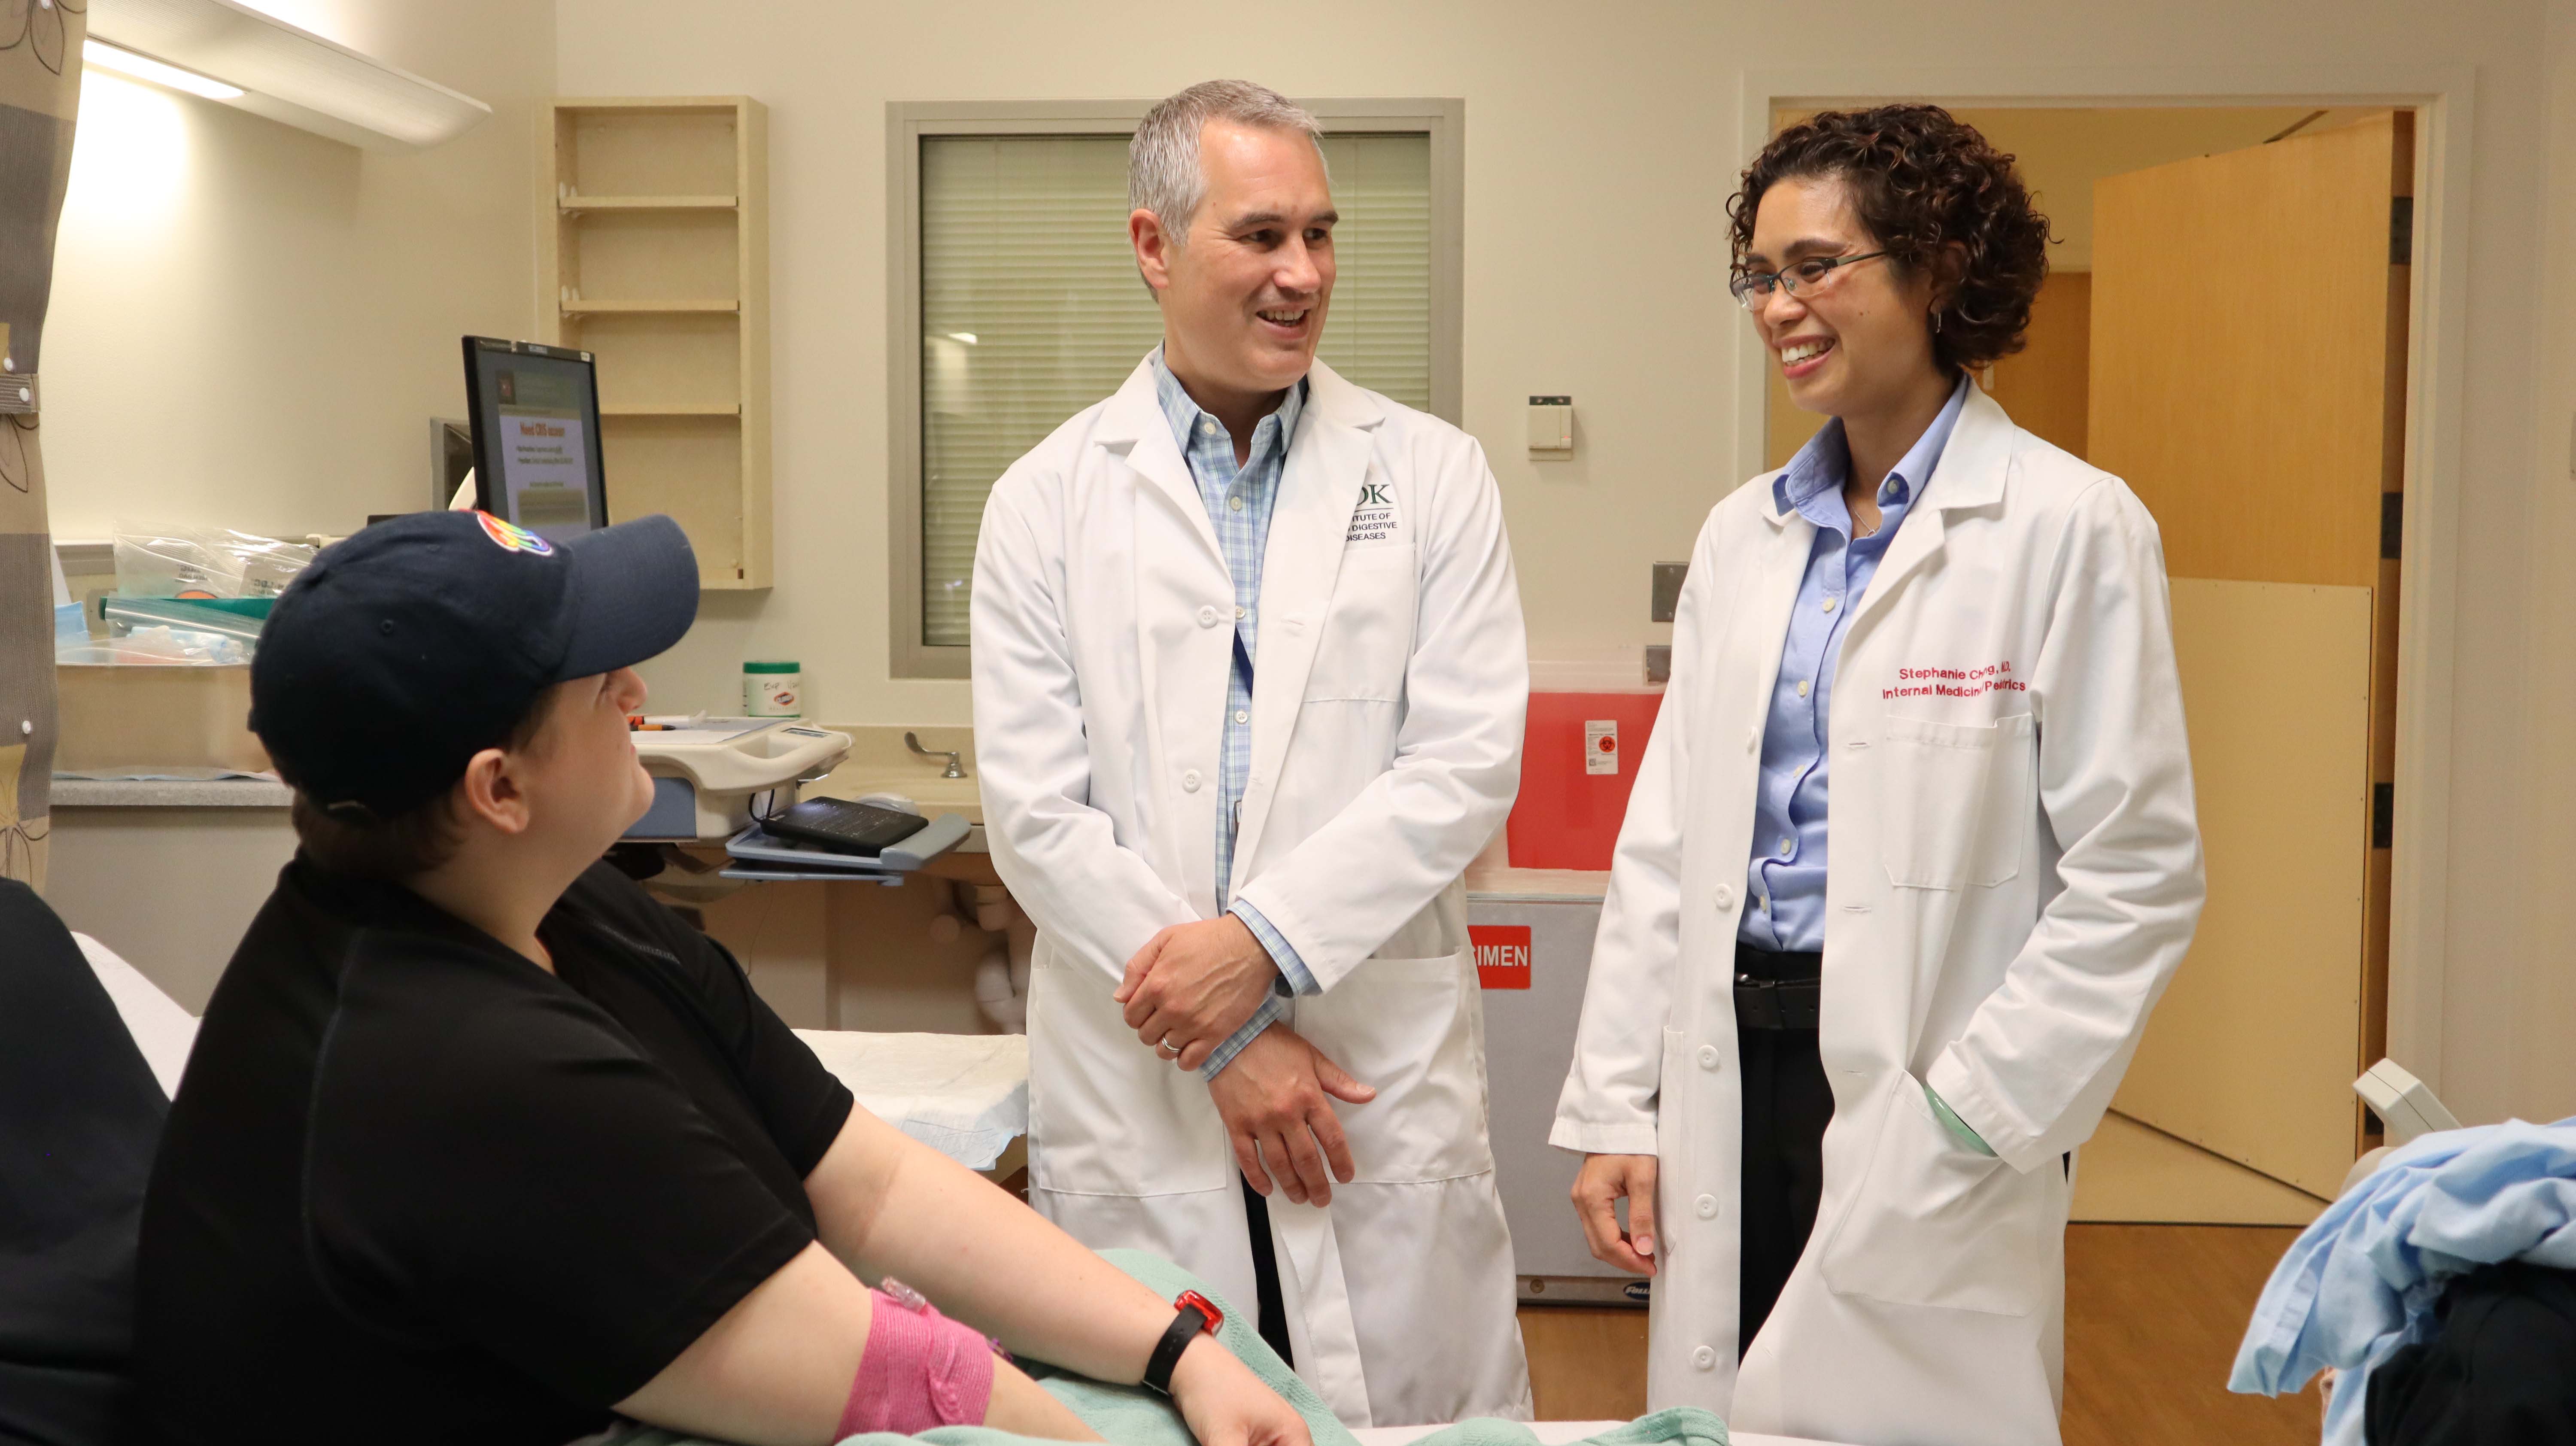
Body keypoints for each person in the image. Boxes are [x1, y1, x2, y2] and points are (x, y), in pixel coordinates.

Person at [130, 510, 1314, 1446]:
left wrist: (1180, 1353)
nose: (642, 696)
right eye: (602, 686)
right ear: (499, 790)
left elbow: (873, 1185)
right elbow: (903, 1380)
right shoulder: (453, 1065)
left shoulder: (564, 903)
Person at [1552, 105, 2205, 1446]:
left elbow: (2137, 875)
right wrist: (1623, 1099)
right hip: (1728, 1057)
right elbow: (1668, 844)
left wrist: (1975, 1112)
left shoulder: (2069, 529)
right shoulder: (1745, 535)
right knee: (1723, 1412)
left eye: (1817, 265)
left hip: (1930, 1073)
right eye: (1761, 275)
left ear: (1940, 267)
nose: (1780, 306)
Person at [972, 79, 1533, 1428]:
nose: (1304, 275)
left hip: (1363, 1068)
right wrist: (1229, 1039)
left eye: (1324, 237)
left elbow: (1461, 766)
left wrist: (1263, 952)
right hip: (1150, 1081)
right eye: (1263, 236)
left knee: (1402, 1410)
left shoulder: (1434, 477)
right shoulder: (1047, 499)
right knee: (1164, 1397)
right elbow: (1039, 815)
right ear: (1154, 247)